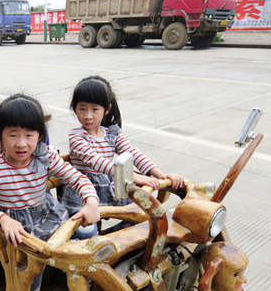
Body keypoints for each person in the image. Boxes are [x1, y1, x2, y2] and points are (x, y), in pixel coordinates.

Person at [0, 94, 100, 291]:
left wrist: (91, 201)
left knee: (88, 233)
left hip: (47, 215)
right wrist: (3, 220)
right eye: (13, 134)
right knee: (32, 261)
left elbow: (78, 178)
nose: (21, 143)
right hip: (17, 226)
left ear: (40, 135)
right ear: (0, 136)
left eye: (29, 135)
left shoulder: (45, 156)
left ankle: (77, 276)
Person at [61, 75, 185, 224]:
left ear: (107, 109)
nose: (88, 116)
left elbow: (133, 154)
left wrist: (160, 176)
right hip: (83, 192)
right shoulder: (76, 137)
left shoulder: (112, 134)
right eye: (82, 108)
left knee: (141, 215)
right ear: (74, 108)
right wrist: (133, 176)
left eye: (95, 109)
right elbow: (97, 162)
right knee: (84, 231)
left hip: (110, 187)